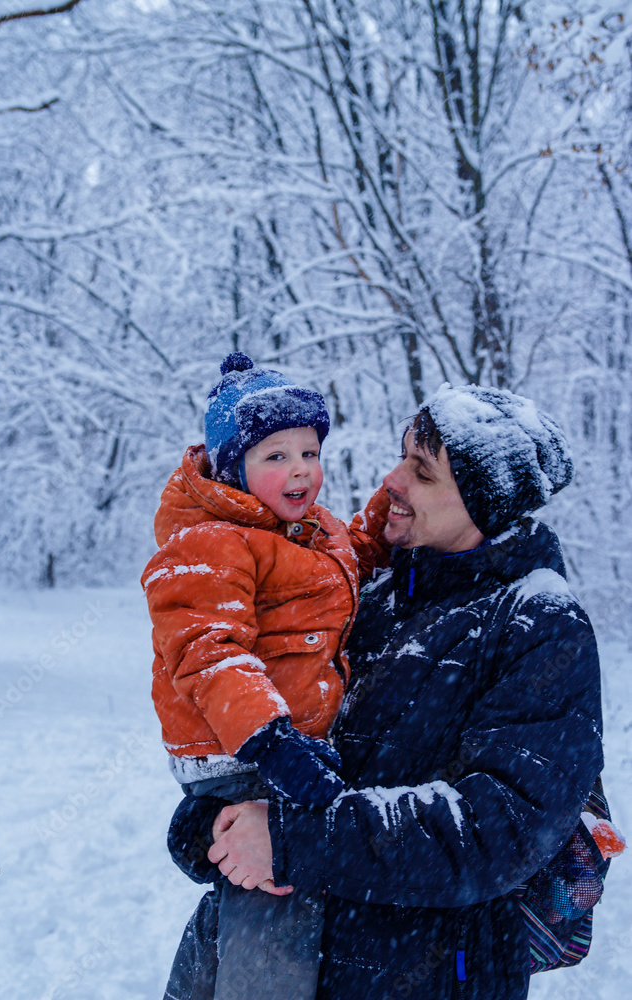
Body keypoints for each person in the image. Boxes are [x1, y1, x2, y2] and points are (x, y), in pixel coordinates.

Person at [171, 382, 605, 1000]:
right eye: (402, 456)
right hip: (255, 954)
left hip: (423, 977)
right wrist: (212, 826)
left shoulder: (537, 624)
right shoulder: (371, 595)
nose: (392, 480)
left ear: (482, 504)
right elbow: (271, 741)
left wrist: (290, 840)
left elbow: (499, 831)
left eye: (421, 471)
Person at [141, 352, 388, 1000]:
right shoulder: (210, 543)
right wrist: (272, 742)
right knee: (277, 883)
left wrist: (395, 504)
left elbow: (352, 558)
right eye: (275, 456)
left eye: (308, 451)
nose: (300, 469)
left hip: (275, 744)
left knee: (243, 892)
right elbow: (209, 651)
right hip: (238, 751)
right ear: (232, 467)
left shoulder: (307, 529)